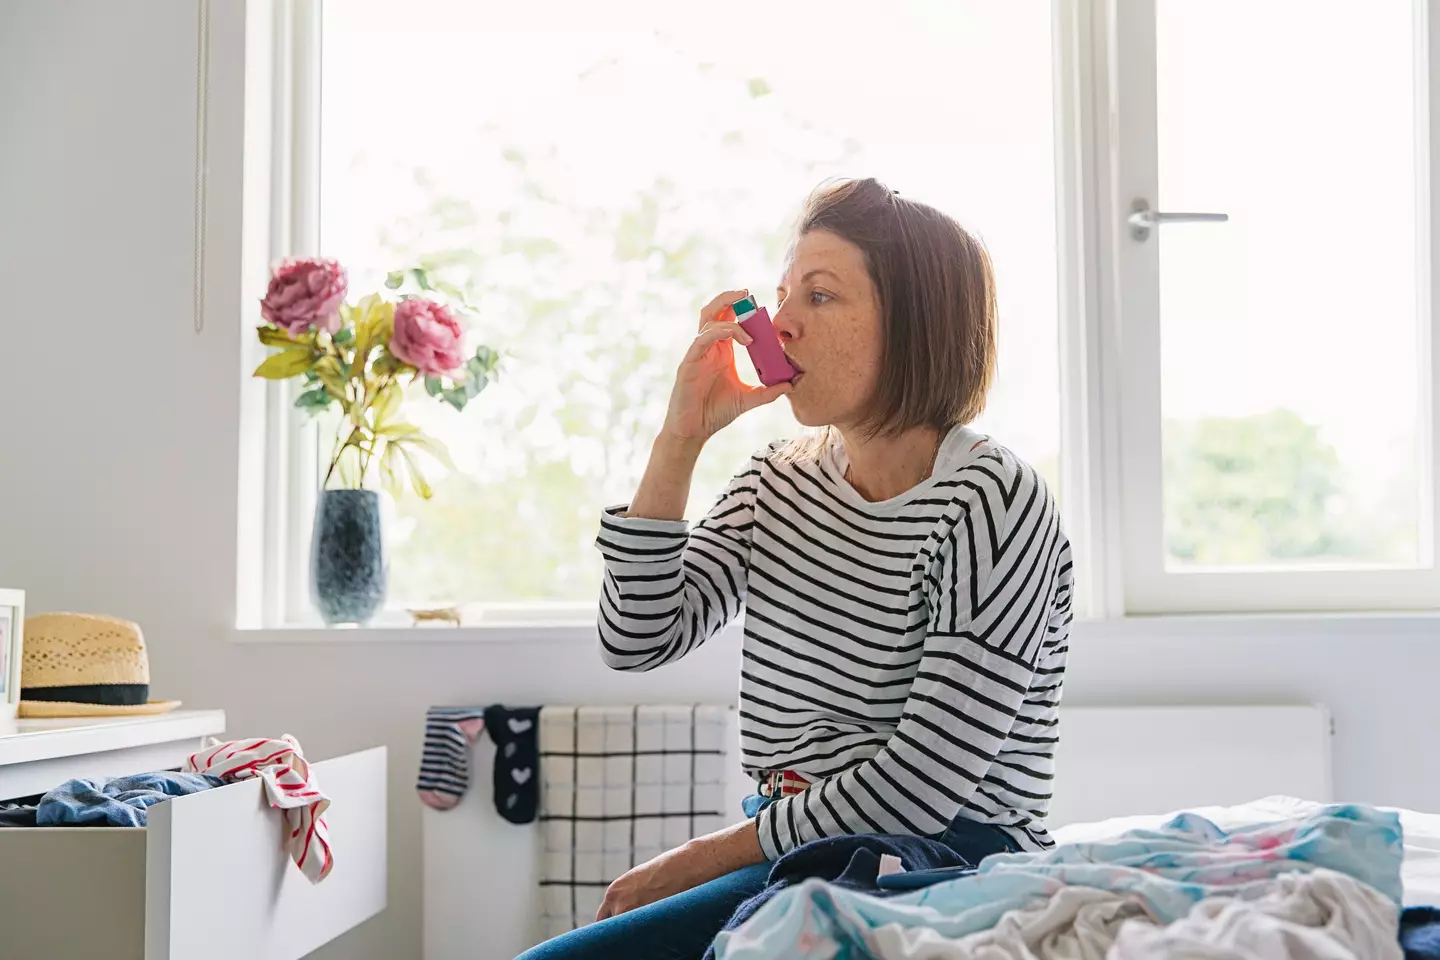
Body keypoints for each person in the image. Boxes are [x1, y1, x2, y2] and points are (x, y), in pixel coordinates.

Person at [517, 177, 1073, 960]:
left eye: (819, 297)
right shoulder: (778, 478)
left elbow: (921, 786)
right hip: (795, 852)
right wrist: (681, 438)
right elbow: (636, 637)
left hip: (948, 856)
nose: (779, 326)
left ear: (914, 324)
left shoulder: (992, 500)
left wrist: (698, 857)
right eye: (782, 297)